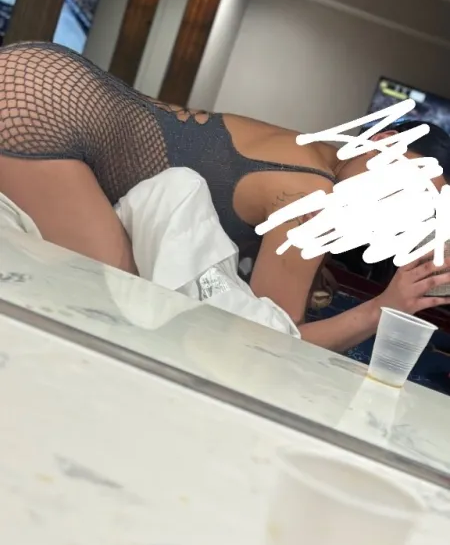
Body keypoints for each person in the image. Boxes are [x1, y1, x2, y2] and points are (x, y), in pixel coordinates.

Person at [0, 40, 449, 352]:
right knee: (110, 316)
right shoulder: (312, 194)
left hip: (46, 72)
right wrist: (379, 310)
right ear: (381, 141)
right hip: (42, 110)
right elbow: (267, 345)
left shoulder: (303, 151)